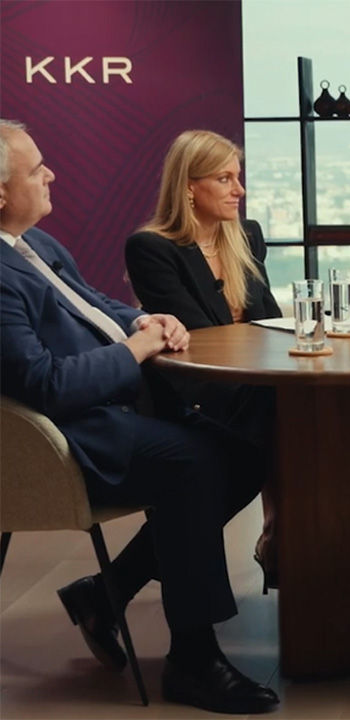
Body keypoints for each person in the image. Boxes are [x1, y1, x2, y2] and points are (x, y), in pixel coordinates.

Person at [0, 119, 278, 712]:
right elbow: (45, 385)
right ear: (0, 193)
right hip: (69, 435)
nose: (50, 173)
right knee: (196, 462)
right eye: (35, 169)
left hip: (115, 409)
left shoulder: (35, 246)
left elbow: (95, 303)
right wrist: (135, 350)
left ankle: (106, 594)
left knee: (246, 456)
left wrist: (144, 320)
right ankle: (194, 659)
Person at [123, 129, 282, 591]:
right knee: (262, 445)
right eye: (225, 178)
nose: (240, 190)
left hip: (248, 387)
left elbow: (266, 318)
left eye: (239, 177)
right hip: (195, 394)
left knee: (274, 433)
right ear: (189, 186)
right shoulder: (152, 248)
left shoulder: (245, 236)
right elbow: (200, 339)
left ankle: (108, 587)